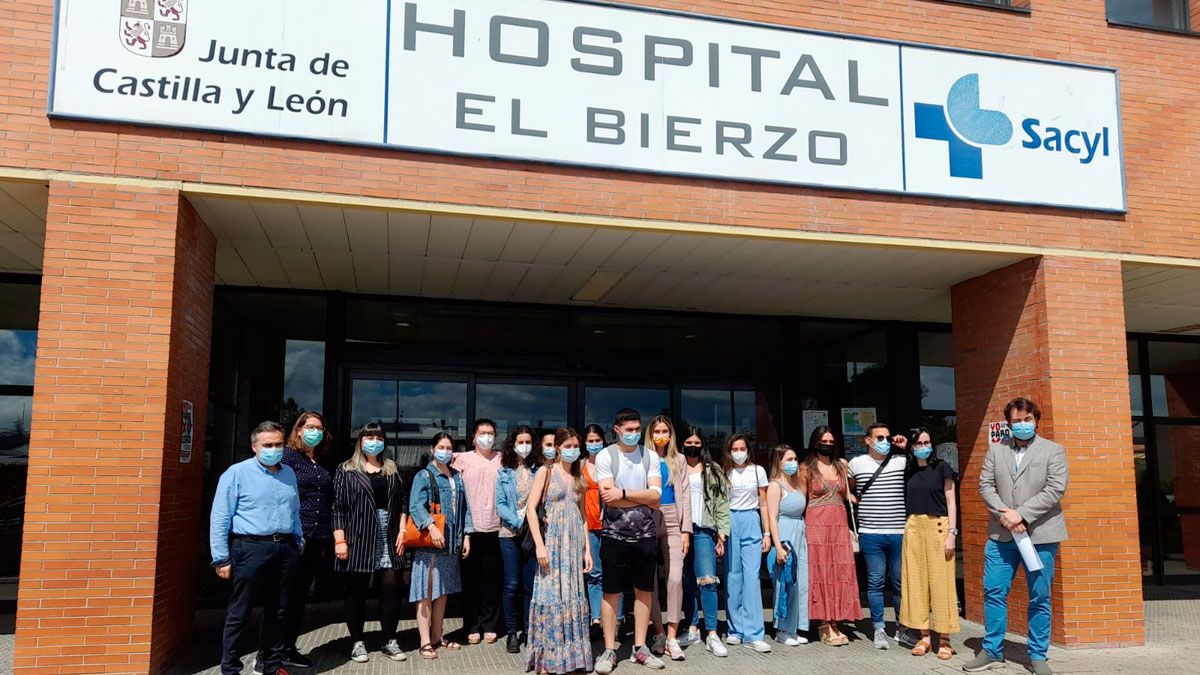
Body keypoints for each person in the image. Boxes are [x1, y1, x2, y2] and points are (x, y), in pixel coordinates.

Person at [964, 398, 1068, 675]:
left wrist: (1021, 514)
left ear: (1035, 420)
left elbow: (1056, 489)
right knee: (994, 592)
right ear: (1008, 423)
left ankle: (1037, 656)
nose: (1022, 425)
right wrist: (1005, 515)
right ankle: (992, 650)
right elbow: (985, 485)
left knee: (1040, 596)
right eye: (1016, 421)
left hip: (1041, 536)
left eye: (1027, 420)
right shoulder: (996, 451)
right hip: (1002, 535)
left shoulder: (1053, 451)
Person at [209, 421, 304, 675]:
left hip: (284, 548)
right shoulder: (236, 473)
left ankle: (272, 664)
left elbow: (294, 511)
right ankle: (230, 668)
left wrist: (298, 540)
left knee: (279, 610)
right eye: (268, 445)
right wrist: (220, 558)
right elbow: (220, 516)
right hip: (250, 548)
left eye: (278, 444)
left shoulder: (288, 473)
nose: (274, 449)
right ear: (254, 446)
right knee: (240, 611)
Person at [594, 408, 665, 673]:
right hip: (613, 536)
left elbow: (657, 498)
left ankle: (640, 648)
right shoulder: (606, 456)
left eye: (637, 429)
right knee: (611, 592)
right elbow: (607, 497)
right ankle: (610, 649)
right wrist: (643, 495)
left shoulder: (650, 456)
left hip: (645, 536)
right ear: (617, 429)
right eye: (629, 429)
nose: (634, 434)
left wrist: (624, 492)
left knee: (644, 591)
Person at [332, 423, 409, 663]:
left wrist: (403, 529)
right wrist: (340, 540)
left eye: (378, 436)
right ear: (360, 440)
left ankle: (389, 640)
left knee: (391, 587)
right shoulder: (346, 470)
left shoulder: (392, 469)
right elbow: (337, 507)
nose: (374, 440)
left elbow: (403, 501)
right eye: (369, 436)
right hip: (358, 534)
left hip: (390, 531)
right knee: (356, 590)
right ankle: (357, 642)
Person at [525, 428, 594, 674]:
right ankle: (547, 659)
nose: (572, 450)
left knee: (572, 594)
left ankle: (572, 658)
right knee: (550, 595)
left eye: (576, 446)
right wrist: (540, 545)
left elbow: (584, 517)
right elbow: (531, 509)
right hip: (552, 543)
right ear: (557, 448)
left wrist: (587, 550)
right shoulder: (546, 471)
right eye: (568, 446)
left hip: (573, 545)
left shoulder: (578, 475)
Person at [410, 432, 473, 660]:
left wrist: (466, 535)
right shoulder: (424, 476)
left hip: (450, 544)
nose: (445, 451)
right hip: (430, 544)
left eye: (449, 447)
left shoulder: (457, 476)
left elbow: (465, 509)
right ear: (432, 449)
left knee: (442, 592)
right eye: (441, 447)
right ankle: (425, 641)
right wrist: (432, 527)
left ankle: (438, 636)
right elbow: (416, 506)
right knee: (425, 592)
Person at [279, 411, 334, 669]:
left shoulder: (321, 461)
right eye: (310, 426)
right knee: (282, 596)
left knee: (299, 596)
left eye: (319, 428)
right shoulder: (287, 458)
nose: (315, 431)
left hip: (317, 537)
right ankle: (268, 653)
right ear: (298, 430)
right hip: (293, 536)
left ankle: (289, 648)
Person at [848, 422, 909, 649]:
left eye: (887, 437)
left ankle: (902, 627)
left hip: (898, 531)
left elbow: (923, 465)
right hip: (870, 533)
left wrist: (906, 446)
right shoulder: (856, 463)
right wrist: (856, 501)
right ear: (868, 440)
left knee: (900, 582)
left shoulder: (900, 462)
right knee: (875, 581)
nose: (884, 442)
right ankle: (879, 628)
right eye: (879, 437)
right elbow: (848, 488)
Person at [901, 428, 960, 661]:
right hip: (914, 526)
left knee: (942, 583)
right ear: (912, 447)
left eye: (927, 441)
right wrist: (902, 442)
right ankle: (924, 636)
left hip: (939, 526)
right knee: (916, 582)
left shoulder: (942, 467)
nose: (923, 446)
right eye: (918, 443)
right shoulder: (908, 469)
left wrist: (952, 534)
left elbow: (951, 502)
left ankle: (944, 638)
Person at [804, 425, 860, 646]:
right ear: (815, 442)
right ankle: (823, 623)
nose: (827, 445)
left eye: (830, 441)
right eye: (823, 441)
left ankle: (836, 620)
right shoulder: (805, 468)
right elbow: (801, 498)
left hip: (838, 524)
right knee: (821, 571)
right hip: (816, 525)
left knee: (838, 571)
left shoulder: (841, 465)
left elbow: (847, 493)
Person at [678, 427, 730, 658]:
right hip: (680, 531)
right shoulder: (675, 468)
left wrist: (722, 533)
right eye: (688, 441)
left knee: (707, 580)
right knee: (686, 581)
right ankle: (691, 628)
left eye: (697, 442)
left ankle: (712, 632)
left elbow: (721, 503)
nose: (693, 446)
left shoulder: (713, 470)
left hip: (704, 530)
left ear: (703, 445)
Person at [452, 419, 504, 644]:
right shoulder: (461, 459)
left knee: (492, 580)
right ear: (473, 437)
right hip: (470, 530)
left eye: (490, 433)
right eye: (482, 433)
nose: (486, 437)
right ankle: (472, 625)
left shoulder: (502, 459)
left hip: (497, 528)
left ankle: (491, 624)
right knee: (471, 580)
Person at [646, 416, 692, 661]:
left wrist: (686, 531)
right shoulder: (644, 458)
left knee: (675, 578)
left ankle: (673, 635)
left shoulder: (680, 459)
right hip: (649, 517)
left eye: (665, 430)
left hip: (674, 517)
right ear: (650, 434)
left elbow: (684, 495)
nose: (661, 435)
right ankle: (659, 632)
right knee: (649, 580)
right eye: (657, 431)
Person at [722, 434, 772, 653]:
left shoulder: (757, 470)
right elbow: (721, 503)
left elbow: (763, 502)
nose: (739, 452)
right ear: (729, 451)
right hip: (730, 520)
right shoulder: (725, 472)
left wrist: (767, 532)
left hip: (751, 518)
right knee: (733, 576)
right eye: (735, 448)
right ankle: (735, 629)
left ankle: (754, 632)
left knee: (751, 576)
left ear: (748, 450)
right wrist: (720, 532)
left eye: (742, 448)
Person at [496, 425, 542, 653]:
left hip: (533, 537)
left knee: (530, 586)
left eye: (528, 442)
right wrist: (517, 522)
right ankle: (512, 632)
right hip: (509, 535)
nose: (524, 446)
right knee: (512, 585)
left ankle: (528, 629)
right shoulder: (504, 472)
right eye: (520, 442)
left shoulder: (540, 470)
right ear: (512, 445)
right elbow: (500, 504)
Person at [766, 444, 809, 647]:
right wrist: (778, 545)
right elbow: (772, 517)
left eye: (795, 459)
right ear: (779, 463)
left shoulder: (797, 485)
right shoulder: (775, 486)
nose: (793, 463)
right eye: (789, 460)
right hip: (785, 535)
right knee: (784, 583)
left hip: (800, 534)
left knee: (799, 583)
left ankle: (794, 626)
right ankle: (781, 628)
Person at [582, 423, 617, 635]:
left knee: (613, 573)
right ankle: (596, 618)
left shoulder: (610, 464)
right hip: (589, 527)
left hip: (611, 526)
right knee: (594, 573)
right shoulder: (579, 466)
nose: (594, 444)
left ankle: (616, 618)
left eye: (597, 441)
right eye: (590, 441)